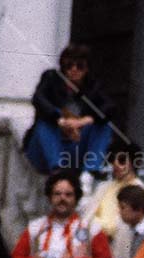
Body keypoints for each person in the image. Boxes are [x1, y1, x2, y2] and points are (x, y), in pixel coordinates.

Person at [22, 44, 114, 176]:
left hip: (74, 148)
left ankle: (91, 171)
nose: (74, 69)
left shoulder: (93, 87)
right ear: (63, 67)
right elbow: (38, 99)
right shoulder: (51, 78)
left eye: (80, 66)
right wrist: (59, 120)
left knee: (104, 125)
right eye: (69, 65)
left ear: (87, 68)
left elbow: (109, 107)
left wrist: (83, 121)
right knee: (44, 122)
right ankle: (57, 169)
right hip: (44, 149)